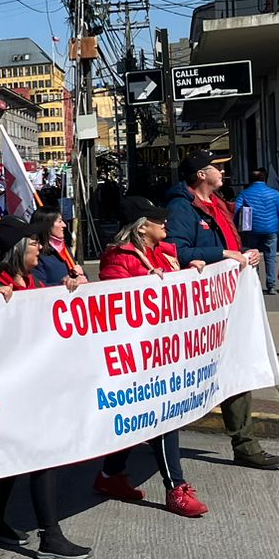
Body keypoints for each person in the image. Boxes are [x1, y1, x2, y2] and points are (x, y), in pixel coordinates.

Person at [0, 216, 93, 559]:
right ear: (16, 249)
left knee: (14, 455)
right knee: (43, 454)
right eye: (32, 242)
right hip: (9, 388)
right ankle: (49, 535)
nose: (39, 246)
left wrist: (65, 290)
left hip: (33, 385)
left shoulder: (34, 283)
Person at [92, 196, 210, 518]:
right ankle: (176, 488)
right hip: (137, 354)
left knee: (140, 419)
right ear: (142, 227)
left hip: (163, 350)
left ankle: (110, 476)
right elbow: (116, 302)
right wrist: (148, 285)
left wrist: (191, 271)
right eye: (158, 219)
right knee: (161, 416)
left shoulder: (164, 252)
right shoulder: (118, 258)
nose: (165, 223)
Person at [166, 152, 279, 470]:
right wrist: (223, 253)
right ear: (201, 175)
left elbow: (232, 246)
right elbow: (176, 252)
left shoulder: (217, 204)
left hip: (225, 304)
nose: (222, 171)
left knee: (237, 367)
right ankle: (136, 449)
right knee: (182, 381)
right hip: (198, 311)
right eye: (216, 167)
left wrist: (245, 254)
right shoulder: (182, 208)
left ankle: (246, 445)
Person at [235, 168, 279, 293]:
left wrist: (236, 227)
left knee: (252, 258)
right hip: (270, 230)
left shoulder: (244, 194)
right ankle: (271, 286)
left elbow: (236, 211)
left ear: (250, 179)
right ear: (264, 179)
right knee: (270, 258)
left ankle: (256, 285)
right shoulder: (274, 194)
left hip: (251, 231)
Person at [33, 210, 87, 290]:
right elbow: (37, 288)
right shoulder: (36, 255)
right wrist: (63, 284)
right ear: (47, 225)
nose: (64, 225)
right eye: (60, 221)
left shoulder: (65, 249)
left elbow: (79, 279)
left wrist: (82, 274)